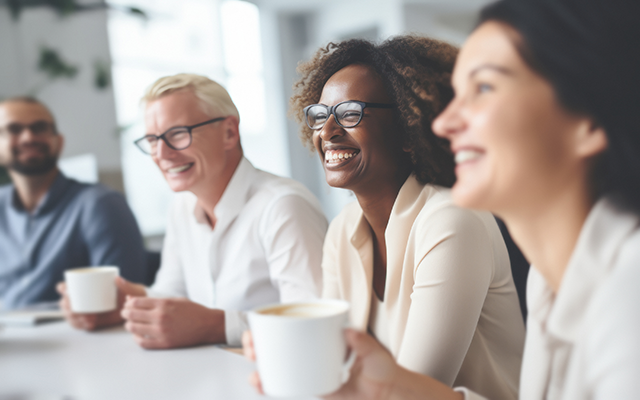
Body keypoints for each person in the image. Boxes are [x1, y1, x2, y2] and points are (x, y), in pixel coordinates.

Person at [246, 0, 640, 398]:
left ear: (588, 119)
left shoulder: (630, 286)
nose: (445, 121)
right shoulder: (549, 279)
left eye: (484, 88)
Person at [249, 37, 525, 399]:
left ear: (408, 131)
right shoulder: (342, 230)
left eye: (349, 113)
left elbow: (408, 386)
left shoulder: (452, 222)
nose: (327, 132)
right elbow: (333, 364)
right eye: (320, 115)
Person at [59, 74, 327, 349]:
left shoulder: (283, 206)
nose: (162, 153)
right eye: (152, 140)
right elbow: (171, 295)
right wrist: (127, 304)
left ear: (229, 133)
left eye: (177, 134)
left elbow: (314, 320)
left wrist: (216, 326)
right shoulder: (181, 208)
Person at [0, 97, 147, 310]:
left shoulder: (100, 204)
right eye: (13, 129)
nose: (28, 137)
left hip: (78, 336)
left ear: (59, 142)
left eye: (39, 127)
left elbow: (123, 298)